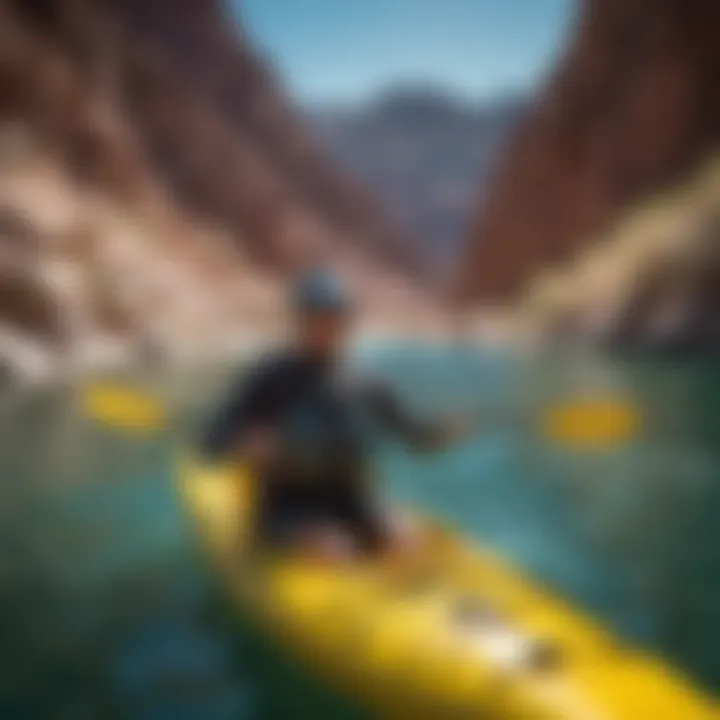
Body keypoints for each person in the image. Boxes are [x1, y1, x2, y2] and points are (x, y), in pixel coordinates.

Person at [202, 268, 474, 562]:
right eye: (315, 317)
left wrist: (443, 432)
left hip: (350, 497)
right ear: (299, 321)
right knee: (336, 548)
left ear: (346, 322)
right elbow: (211, 441)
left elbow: (415, 437)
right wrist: (245, 443)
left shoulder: (366, 384)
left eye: (333, 317)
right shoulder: (271, 379)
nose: (325, 325)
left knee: (404, 541)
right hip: (289, 505)